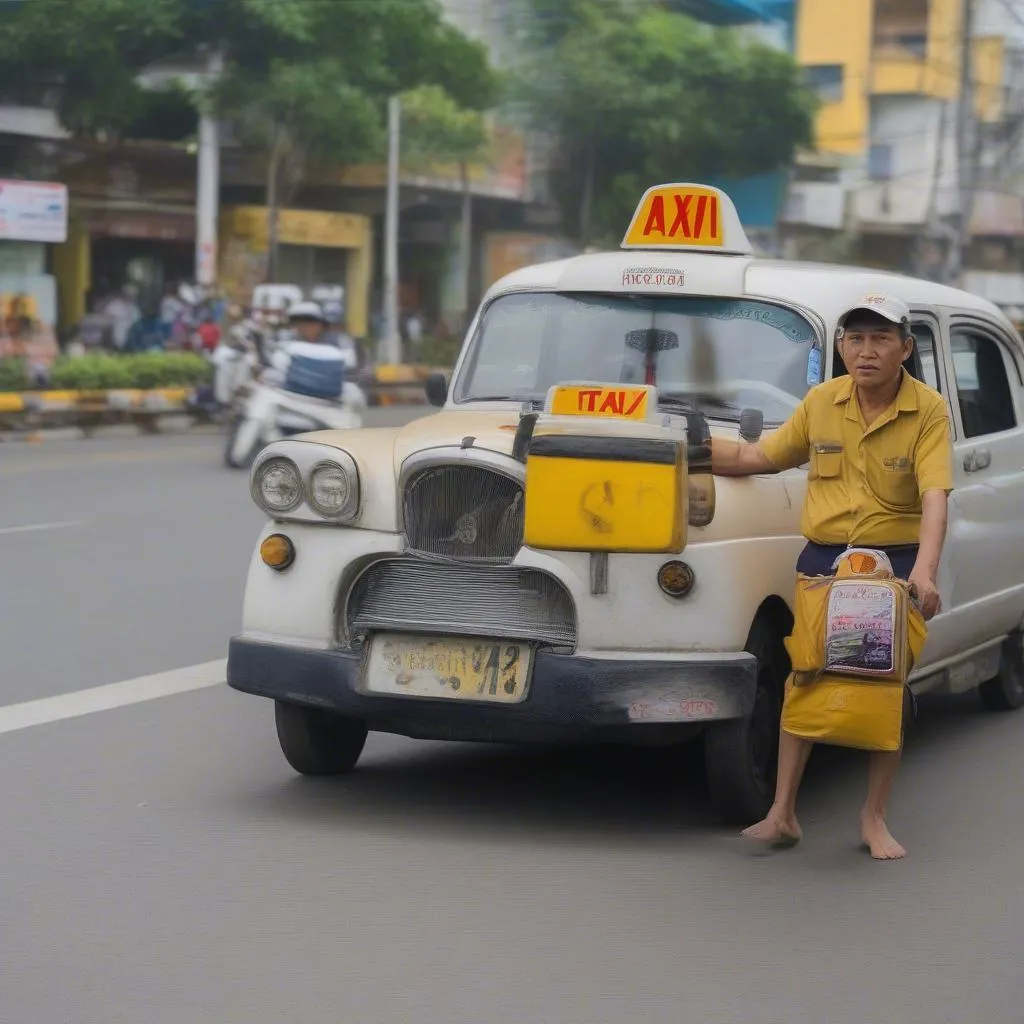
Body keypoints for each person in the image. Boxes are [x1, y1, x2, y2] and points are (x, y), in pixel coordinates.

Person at [710, 294, 954, 860]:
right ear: (841, 347)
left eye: (881, 339)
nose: (866, 351)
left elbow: (935, 494)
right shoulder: (821, 401)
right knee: (806, 678)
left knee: (881, 687)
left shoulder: (929, 410)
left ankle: (872, 818)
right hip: (823, 566)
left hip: (891, 570)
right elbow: (759, 458)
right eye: (856, 339)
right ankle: (783, 813)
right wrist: (682, 453)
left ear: (905, 348)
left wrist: (926, 570)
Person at [265, 301, 348, 401]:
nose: (302, 327)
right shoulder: (287, 344)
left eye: (309, 322)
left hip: (330, 397)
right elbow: (278, 363)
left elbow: (347, 363)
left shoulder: (334, 342)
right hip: (294, 394)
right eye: (297, 323)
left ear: (320, 324)